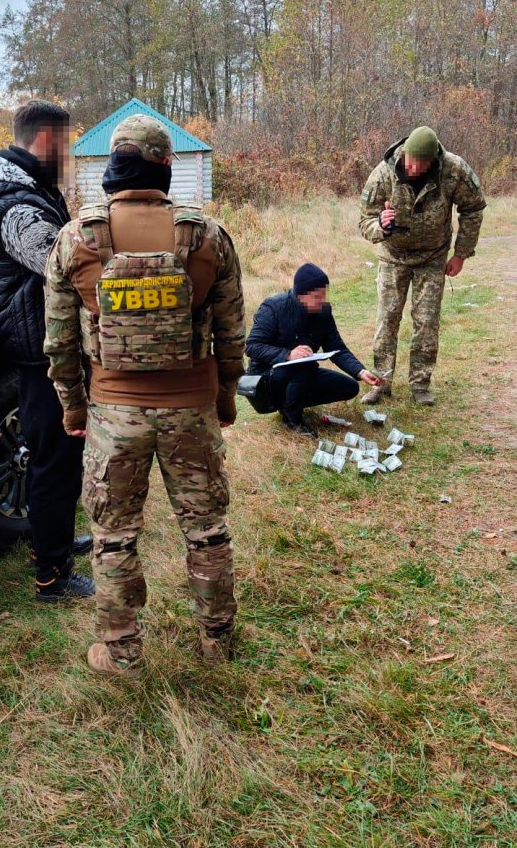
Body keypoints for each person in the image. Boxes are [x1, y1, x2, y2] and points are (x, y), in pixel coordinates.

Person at [44, 113, 245, 676]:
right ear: (166, 167)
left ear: (113, 164)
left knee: (113, 536)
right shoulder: (208, 237)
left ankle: (122, 652)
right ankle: (217, 640)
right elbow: (232, 334)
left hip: (113, 414)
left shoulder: (76, 239)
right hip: (191, 409)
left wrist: (73, 408)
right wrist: (225, 398)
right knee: (206, 528)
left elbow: (58, 342)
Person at [0, 100, 95, 601]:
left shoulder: (31, 191)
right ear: (45, 139)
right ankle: (52, 577)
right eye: (66, 144)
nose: (70, 155)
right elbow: (64, 263)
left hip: (47, 347)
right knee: (52, 460)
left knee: (62, 454)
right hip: (42, 353)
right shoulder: (17, 207)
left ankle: (54, 543)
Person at [359, 125, 486, 406]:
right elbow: (364, 220)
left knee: (426, 322)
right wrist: (380, 225)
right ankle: (381, 382)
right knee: (387, 321)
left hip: (432, 257)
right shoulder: (384, 173)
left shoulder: (453, 170)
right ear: (404, 154)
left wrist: (461, 254)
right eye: (411, 161)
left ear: (433, 161)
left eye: (422, 163)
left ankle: (420, 384)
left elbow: (474, 207)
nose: (414, 168)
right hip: (393, 257)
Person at [246, 263, 380, 436]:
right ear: (300, 295)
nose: (322, 301)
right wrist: (288, 355)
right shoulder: (274, 307)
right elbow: (252, 347)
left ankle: (292, 401)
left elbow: (337, 347)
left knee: (349, 387)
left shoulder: (323, 311)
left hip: (304, 372)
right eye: (317, 297)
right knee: (302, 369)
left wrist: (360, 371)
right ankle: (292, 417)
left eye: (324, 295)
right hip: (268, 376)